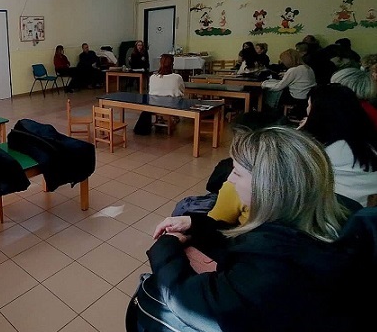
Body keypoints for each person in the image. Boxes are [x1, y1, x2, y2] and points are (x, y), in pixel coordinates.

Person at [127, 126, 364, 332]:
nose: (229, 180)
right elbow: (248, 242)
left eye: (237, 173)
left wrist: (166, 245)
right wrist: (196, 224)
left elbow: (190, 301)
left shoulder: (276, 264)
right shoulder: (339, 215)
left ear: (268, 186)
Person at [299, 84, 377, 207]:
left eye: (309, 105)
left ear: (319, 112)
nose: (307, 110)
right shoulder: (365, 142)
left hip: (339, 212)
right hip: (367, 211)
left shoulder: (327, 150)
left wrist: (300, 132)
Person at [261, 48, 316, 118]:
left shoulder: (293, 70)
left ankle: (269, 113)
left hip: (296, 98)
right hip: (307, 97)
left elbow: (278, 86)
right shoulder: (308, 68)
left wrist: (264, 84)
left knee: (271, 92)